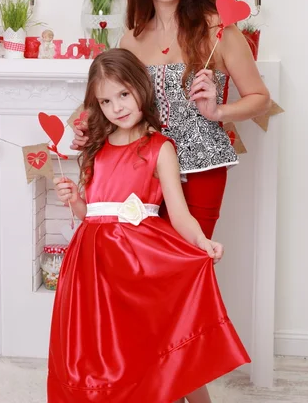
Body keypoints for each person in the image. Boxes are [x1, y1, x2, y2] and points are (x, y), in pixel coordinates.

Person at [71, 0, 270, 403]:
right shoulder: (129, 34)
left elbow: (259, 98)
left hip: (198, 172)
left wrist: (218, 110)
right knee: (142, 298)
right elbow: (112, 98)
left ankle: (193, 397)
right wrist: (80, 120)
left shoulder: (218, 29)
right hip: (141, 178)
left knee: (182, 297)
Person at [48, 49, 250, 403]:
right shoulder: (95, 149)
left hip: (138, 262)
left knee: (147, 340)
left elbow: (180, 213)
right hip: (92, 266)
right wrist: (73, 199)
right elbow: (91, 213)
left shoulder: (160, 148)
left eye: (124, 94)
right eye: (106, 101)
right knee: (100, 348)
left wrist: (202, 242)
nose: (117, 107)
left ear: (141, 88)